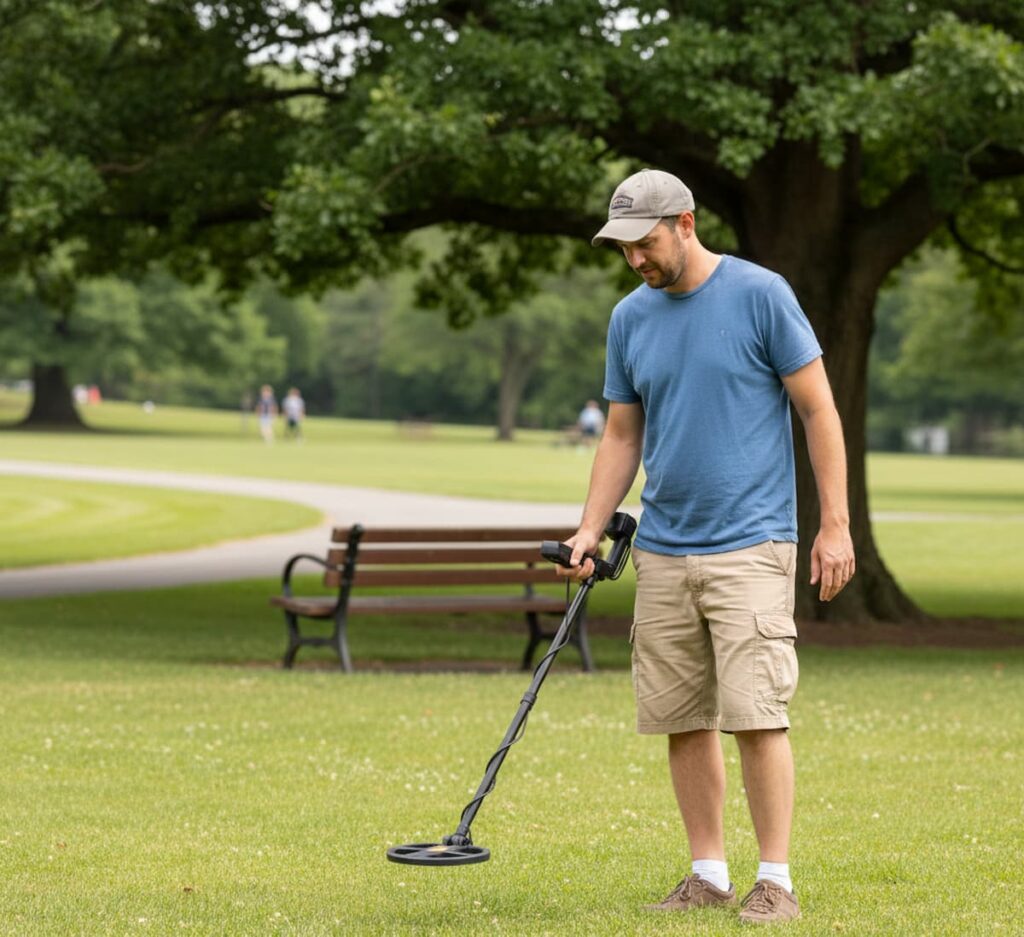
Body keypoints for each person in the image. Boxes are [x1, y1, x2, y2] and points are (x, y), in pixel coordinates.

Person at [559, 169, 855, 924]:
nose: (635, 261)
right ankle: (707, 873)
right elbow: (623, 432)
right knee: (682, 715)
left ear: (684, 223)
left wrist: (835, 523)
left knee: (756, 713)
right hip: (663, 546)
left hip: (751, 542)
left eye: (646, 243)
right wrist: (591, 526)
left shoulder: (761, 294)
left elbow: (819, 410)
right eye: (623, 248)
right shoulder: (630, 317)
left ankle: (776, 879)